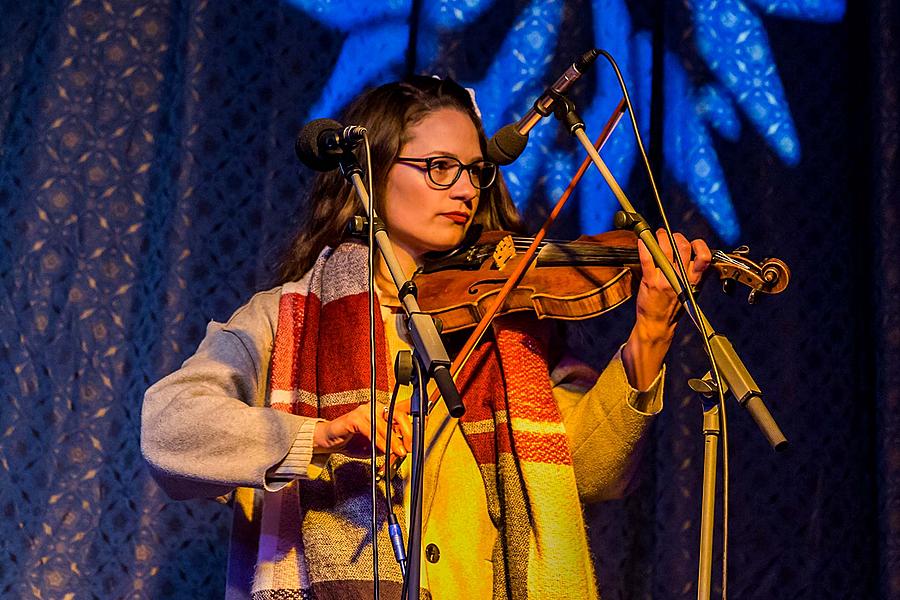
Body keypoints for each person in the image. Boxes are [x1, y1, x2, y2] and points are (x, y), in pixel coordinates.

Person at [141, 75, 711, 600]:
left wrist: (652, 328)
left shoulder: (505, 330)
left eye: (475, 170)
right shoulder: (281, 320)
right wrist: (320, 434)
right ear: (374, 170)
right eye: (440, 166)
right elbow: (170, 428)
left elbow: (592, 471)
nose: (465, 189)